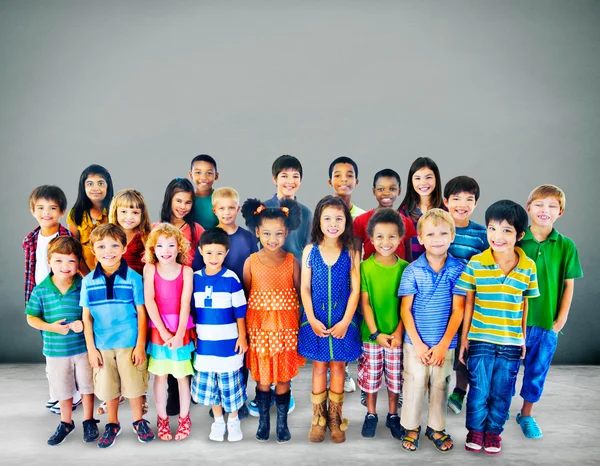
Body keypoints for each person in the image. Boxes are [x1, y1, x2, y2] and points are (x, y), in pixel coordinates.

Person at [457, 200, 539, 455]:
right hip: (480, 338)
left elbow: (525, 305)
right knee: (479, 389)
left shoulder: (528, 267)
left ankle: (493, 432)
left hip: (511, 342)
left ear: (520, 235)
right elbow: (468, 302)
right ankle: (475, 431)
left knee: (502, 391)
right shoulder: (476, 263)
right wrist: (464, 339)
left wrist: (523, 339)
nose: (497, 236)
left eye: (506, 230)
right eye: (492, 229)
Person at [516, 185, 582, 439]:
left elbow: (568, 283)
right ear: (529, 207)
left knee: (536, 372)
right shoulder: (516, 240)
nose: (545, 210)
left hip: (545, 323)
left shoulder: (566, 246)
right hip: (512, 322)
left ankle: (527, 414)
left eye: (552, 206)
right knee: (508, 372)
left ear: (560, 212)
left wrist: (561, 318)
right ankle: (498, 411)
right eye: (540, 204)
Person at [398, 209, 466, 453]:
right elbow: (406, 310)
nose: (437, 238)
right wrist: (417, 344)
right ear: (421, 238)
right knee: (414, 384)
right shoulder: (412, 270)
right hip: (414, 343)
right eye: (431, 234)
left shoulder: (459, 269)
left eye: (443, 233)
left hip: (444, 345)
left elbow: (458, 310)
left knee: (440, 385)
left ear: (452, 236)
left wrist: (442, 345)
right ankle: (411, 426)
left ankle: (436, 427)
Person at [81, 223, 154, 448]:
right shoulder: (88, 281)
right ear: (93, 250)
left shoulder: (133, 278)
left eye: (114, 245)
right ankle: (112, 423)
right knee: (108, 387)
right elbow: (87, 318)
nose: (108, 251)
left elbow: (142, 312)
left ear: (123, 248)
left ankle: (138, 420)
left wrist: (140, 344)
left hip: (129, 344)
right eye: (101, 246)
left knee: (133, 386)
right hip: (102, 345)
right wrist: (91, 350)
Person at [241, 198, 305, 443]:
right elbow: (247, 296)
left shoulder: (291, 262)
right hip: (259, 331)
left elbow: (301, 294)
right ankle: (263, 422)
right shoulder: (251, 262)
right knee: (263, 379)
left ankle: (282, 424)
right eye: (266, 233)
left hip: (286, 330)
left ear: (286, 232)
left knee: (283, 378)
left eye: (278, 233)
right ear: (257, 232)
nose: (272, 238)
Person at [298, 195, 361, 444]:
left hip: (342, 320)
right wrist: (311, 318)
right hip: (317, 320)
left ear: (346, 221)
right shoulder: (310, 251)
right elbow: (305, 288)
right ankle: (318, 418)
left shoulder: (352, 252)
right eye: (327, 218)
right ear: (318, 221)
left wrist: (346, 320)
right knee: (319, 366)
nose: (333, 223)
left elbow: (355, 289)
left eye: (338, 218)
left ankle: (335, 418)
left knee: (338, 366)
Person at [191, 187, 257, 420]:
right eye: (222, 208)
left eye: (231, 208)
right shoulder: (208, 238)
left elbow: (255, 266)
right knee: (218, 353)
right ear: (214, 210)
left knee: (239, 351)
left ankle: (237, 400)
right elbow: (199, 271)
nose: (227, 213)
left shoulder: (248, 237)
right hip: (213, 305)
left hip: (242, 301)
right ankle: (218, 399)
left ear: (238, 209)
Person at [25, 236, 98, 445]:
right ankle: (66, 422)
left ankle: (89, 420)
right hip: (56, 351)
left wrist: (83, 324)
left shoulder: (83, 285)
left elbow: (92, 314)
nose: (65, 266)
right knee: (63, 389)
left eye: (71, 261)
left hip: (83, 348)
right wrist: (51, 327)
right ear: (49, 262)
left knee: (87, 385)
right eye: (58, 261)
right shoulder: (41, 289)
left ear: (78, 264)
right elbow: (31, 317)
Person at [24, 185, 79, 414]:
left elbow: (78, 269)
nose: (47, 212)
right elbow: (30, 273)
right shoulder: (31, 240)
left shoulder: (67, 238)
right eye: (41, 208)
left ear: (62, 211)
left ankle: (74, 396)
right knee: (51, 350)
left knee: (71, 350)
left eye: (53, 208)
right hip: (43, 300)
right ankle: (58, 395)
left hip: (65, 300)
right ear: (33, 210)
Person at [192, 228, 248, 442]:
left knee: (230, 386)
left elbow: (240, 312)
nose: (213, 258)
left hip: (228, 345)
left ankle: (233, 421)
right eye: (208, 253)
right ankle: (218, 421)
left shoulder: (231, 278)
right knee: (211, 387)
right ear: (200, 252)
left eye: (218, 253)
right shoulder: (195, 279)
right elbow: (192, 311)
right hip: (205, 346)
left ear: (226, 253)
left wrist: (242, 337)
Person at [357, 208, 408, 440]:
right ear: (370, 238)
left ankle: (393, 415)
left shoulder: (405, 268)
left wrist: (398, 332)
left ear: (400, 238)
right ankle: (370, 414)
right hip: (372, 336)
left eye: (391, 236)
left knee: (395, 378)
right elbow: (365, 304)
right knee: (371, 377)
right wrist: (376, 333)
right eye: (379, 236)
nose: (385, 242)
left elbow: (407, 307)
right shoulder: (365, 267)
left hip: (397, 337)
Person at [144, 223, 195, 441]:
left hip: (180, 329)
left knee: (182, 376)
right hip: (158, 329)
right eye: (161, 245)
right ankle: (162, 418)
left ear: (179, 247)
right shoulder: (150, 269)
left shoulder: (187, 271)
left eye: (171, 245)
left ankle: (185, 417)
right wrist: (165, 334)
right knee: (160, 376)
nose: (166, 250)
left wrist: (178, 333)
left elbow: (185, 304)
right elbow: (149, 301)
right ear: (153, 249)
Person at [442, 176, 488, 415]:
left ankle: (460, 389)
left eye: (468, 199)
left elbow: (485, 267)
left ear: (476, 203)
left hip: (469, 300)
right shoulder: (440, 227)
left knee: (464, 346)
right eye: (456, 199)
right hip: (439, 299)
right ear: (445, 201)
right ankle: (435, 385)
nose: (462, 204)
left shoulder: (481, 234)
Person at [327, 156, 364, 394]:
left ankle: (346, 367)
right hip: (330, 280)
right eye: (338, 175)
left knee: (350, 324)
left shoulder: (361, 216)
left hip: (353, 277)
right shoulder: (325, 212)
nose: (344, 179)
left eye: (349, 175)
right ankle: (332, 367)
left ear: (356, 181)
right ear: (330, 181)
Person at [353, 169, 416, 262]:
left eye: (392, 189)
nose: (386, 193)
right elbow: (355, 255)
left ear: (399, 191)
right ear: (374, 191)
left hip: (399, 275)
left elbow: (409, 258)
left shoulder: (406, 222)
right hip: (370, 274)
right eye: (381, 189)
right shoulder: (361, 220)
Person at [263, 154, 312, 264]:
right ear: (274, 179)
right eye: (284, 176)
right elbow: (252, 244)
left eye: (295, 176)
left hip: (297, 271)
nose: (290, 181)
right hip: (269, 269)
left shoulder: (306, 213)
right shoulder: (263, 209)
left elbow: (309, 249)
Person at [67, 164, 114, 275]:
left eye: (100, 183)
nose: (95, 188)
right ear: (83, 187)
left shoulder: (115, 211)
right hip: (84, 274)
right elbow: (74, 249)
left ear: (108, 186)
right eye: (90, 184)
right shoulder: (75, 213)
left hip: (111, 273)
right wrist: (87, 276)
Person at [399, 157, 443, 261]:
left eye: (428, 177)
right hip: (410, 271)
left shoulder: (446, 211)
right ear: (411, 182)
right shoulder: (403, 213)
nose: (423, 183)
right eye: (417, 178)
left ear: (436, 178)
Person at [159, 177, 204, 267]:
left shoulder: (197, 229)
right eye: (178, 201)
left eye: (188, 202)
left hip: (188, 279)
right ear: (169, 200)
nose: (183, 207)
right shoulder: (156, 229)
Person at [108, 189, 151, 275]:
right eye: (123, 212)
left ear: (142, 215)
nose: (129, 217)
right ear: (115, 212)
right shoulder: (108, 236)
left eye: (135, 212)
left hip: (139, 284)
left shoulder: (146, 236)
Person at [189, 154, 220, 229]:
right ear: (191, 175)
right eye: (198, 173)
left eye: (209, 173)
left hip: (215, 239)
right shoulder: (186, 199)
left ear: (216, 176)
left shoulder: (220, 199)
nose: (203, 178)